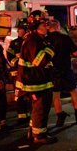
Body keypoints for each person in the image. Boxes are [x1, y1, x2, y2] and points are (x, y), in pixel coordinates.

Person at [17, 13, 57, 144]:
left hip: (38, 81)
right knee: (41, 108)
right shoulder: (33, 41)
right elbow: (40, 61)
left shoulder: (37, 38)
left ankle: (33, 131)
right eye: (44, 24)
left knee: (37, 108)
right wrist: (51, 48)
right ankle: (39, 136)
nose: (47, 26)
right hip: (36, 82)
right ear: (36, 26)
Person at [46, 19, 77, 126]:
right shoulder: (64, 38)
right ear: (58, 27)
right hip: (66, 69)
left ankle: (60, 116)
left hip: (53, 70)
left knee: (56, 94)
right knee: (73, 91)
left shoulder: (46, 40)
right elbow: (76, 53)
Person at [7, 18, 30, 124]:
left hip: (28, 72)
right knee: (19, 94)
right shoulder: (14, 43)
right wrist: (17, 62)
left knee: (28, 94)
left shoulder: (29, 42)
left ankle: (28, 114)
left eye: (21, 29)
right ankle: (21, 116)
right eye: (18, 29)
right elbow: (9, 55)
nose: (18, 31)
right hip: (17, 72)